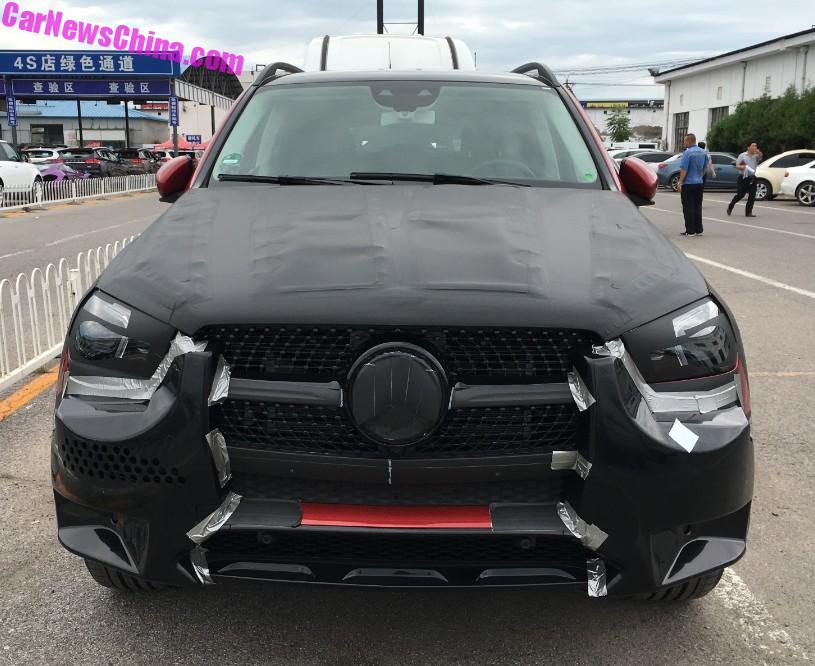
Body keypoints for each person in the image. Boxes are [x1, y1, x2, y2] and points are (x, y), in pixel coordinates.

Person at [677, 133, 708, 236]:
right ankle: (699, 229)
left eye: (685, 141)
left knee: (688, 207)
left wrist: (680, 182)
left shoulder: (687, 153)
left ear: (689, 141)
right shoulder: (703, 152)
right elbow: (705, 168)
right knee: (697, 206)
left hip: (688, 184)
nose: (684, 143)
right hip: (699, 183)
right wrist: (700, 176)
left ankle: (690, 231)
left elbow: (684, 169)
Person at [727, 142, 763, 217]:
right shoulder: (742, 155)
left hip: (752, 177)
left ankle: (748, 212)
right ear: (748, 147)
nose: (754, 147)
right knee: (740, 195)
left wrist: (759, 152)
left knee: (752, 195)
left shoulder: (756, 156)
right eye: (753, 146)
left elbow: (761, 157)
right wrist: (743, 167)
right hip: (743, 177)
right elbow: (737, 166)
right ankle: (731, 205)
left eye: (756, 146)